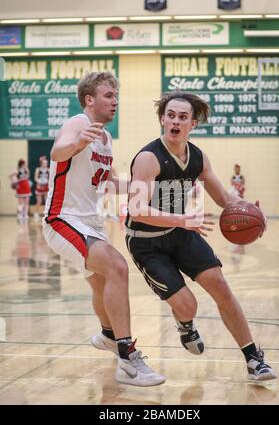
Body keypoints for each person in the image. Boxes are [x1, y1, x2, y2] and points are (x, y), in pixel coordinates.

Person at [125, 90, 277, 382]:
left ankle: (253, 360)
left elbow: (223, 197)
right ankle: (186, 324)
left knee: (220, 286)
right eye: (170, 115)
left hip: (181, 231)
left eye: (183, 117)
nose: (175, 121)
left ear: (192, 124)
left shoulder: (197, 157)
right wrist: (181, 219)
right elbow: (136, 208)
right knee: (188, 305)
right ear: (161, 119)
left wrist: (249, 210)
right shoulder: (148, 158)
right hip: (146, 241)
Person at [42, 71, 165, 387]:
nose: (115, 101)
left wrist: (152, 185)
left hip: (89, 222)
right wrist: (76, 142)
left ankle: (110, 335)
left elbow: (110, 182)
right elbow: (57, 152)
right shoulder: (78, 123)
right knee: (117, 268)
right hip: (62, 218)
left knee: (101, 283)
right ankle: (127, 358)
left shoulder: (106, 140)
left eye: (116, 96)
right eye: (109, 95)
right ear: (89, 100)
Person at [9, 159, 32, 223]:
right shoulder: (17, 170)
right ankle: (20, 215)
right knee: (21, 203)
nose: (25, 164)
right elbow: (10, 176)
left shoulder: (26, 170)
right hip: (20, 187)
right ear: (21, 164)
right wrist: (13, 182)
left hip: (26, 186)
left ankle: (26, 215)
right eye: (24, 163)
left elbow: (27, 177)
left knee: (27, 202)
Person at [34, 155, 50, 220]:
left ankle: (46, 213)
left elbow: (50, 178)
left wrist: (47, 182)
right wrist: (40, 182)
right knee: (39, 201)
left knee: (46, 201)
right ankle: (36, 213)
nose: (45, 164)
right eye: (44, 163)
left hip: (46, 186)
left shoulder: (48, 170)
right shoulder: (38, 169)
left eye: (46, 163)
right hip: (40, 186)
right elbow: (35, 178)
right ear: (41, 163)